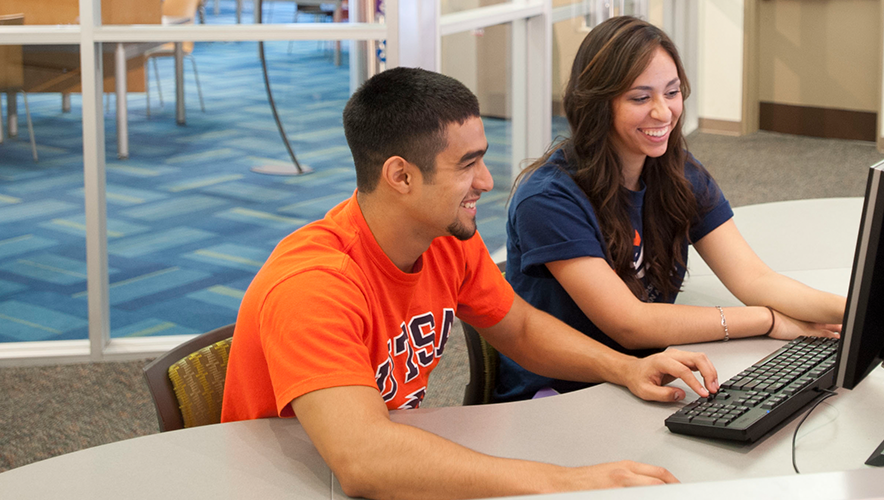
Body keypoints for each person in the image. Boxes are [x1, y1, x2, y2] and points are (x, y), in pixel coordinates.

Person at [221, 67, 720, 500]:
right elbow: (364, 460)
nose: (486, 181)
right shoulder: (315, 284)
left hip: (378, 461)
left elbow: (519, 328)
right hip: (295, 482)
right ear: (400, 176)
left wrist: (625, 368)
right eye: (467, 164)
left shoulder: (442, 238)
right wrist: (563, 482)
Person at [496, 16, 846, 402]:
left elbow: (755, 279)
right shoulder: (548, 199)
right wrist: (767, 319)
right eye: (640, 97)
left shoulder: (677, 172)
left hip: (651, 371)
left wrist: (851, 309)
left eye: (672, 92)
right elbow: (630, 324)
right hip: (562, 395)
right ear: (597, 104)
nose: (663, 113)